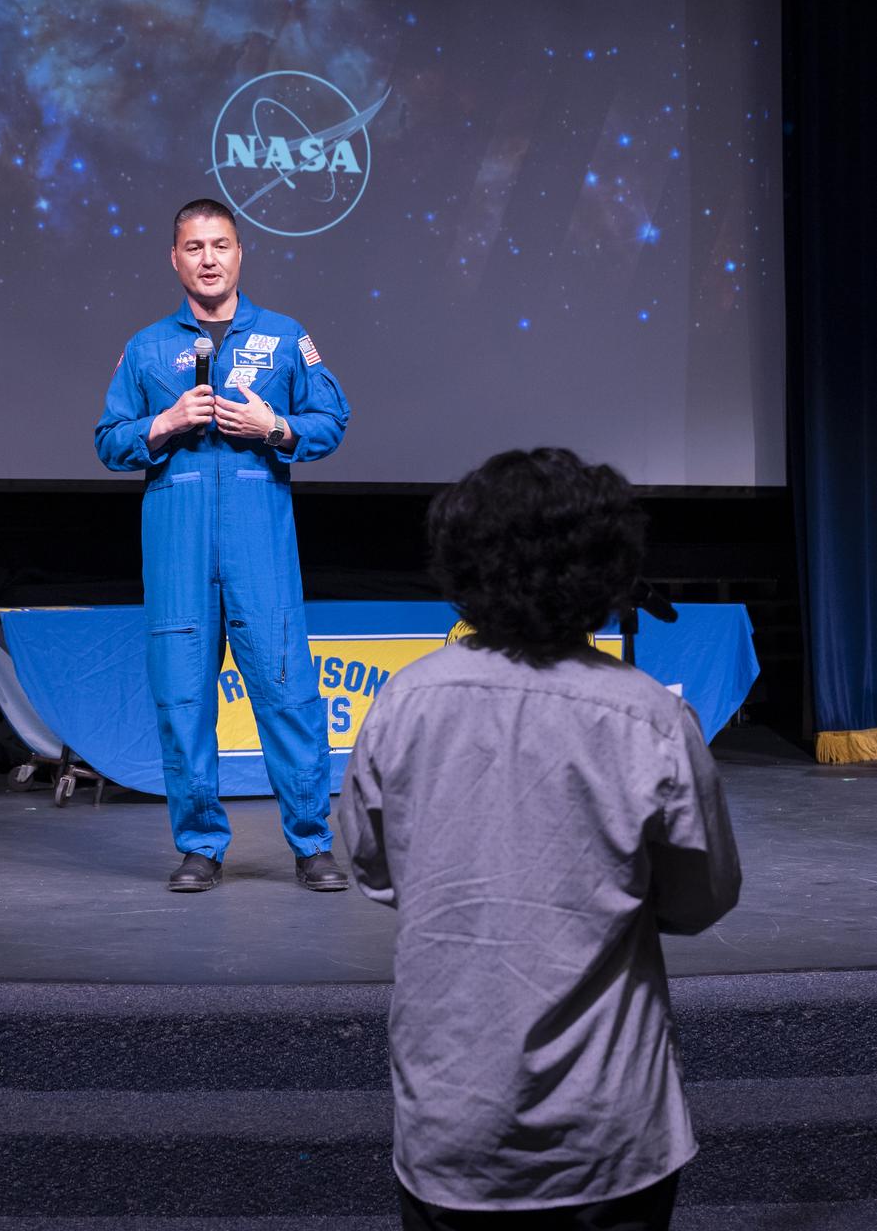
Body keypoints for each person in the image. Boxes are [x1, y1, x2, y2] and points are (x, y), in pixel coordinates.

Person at [340, 447, 741, 1231]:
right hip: (607, 1133)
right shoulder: (648, 715)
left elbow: (374, 867)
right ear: (607, 566)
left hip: (450, 1128)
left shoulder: (404, 700)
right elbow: (700, 900)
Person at [96, 198, 351, 894]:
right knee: (182, 701)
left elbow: (332, 419)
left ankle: (312, 845)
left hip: (257, 546)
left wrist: (274, 427)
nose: (208, 259)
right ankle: (201, 846)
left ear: (241, 254)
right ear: (174, 259)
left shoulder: (285, 336)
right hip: (177, 549)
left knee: (289, 694)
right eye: (194, 247)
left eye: (221, 245)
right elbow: (108, 440)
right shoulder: (147, 348)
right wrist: (164, 422)